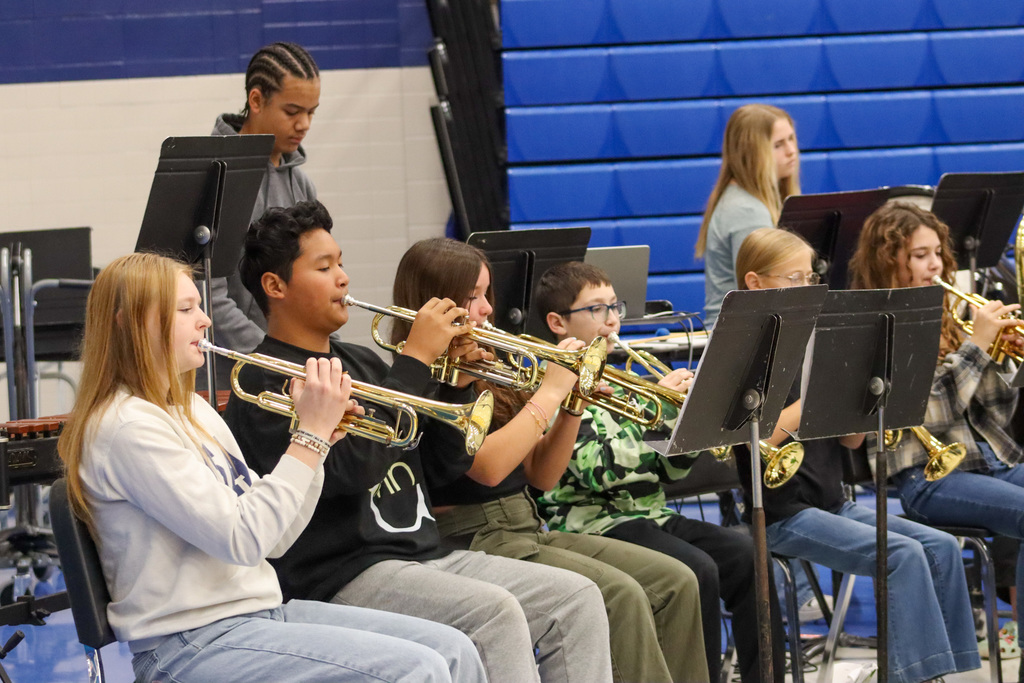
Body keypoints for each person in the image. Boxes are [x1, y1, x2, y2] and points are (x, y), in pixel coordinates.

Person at [223, 201, 613, 683]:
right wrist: (414, 362)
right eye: (324, 268)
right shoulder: (264, 378)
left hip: (423, 553)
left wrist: (458, 383)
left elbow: (439, 466)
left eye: (341, 262)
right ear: (275, 286)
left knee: (576, 599)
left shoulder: (363, 361)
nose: (343, 278)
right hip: (341, 573)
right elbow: (353, 471)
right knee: (493, 614)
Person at [56, 252, 486, 683]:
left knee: (454, 650)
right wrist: (309, 437)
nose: (205, 320)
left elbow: (274, 540)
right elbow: (243, 539)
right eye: (185, 310)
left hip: (257, 614)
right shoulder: (127, 427)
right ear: (129, 323)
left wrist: (320, 443)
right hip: (189, 642)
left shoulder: (193, 410)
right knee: (418, 669)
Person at [392, 237, 710, 683]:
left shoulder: (486, 363)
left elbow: (541, 476)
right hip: (471, 536)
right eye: (472, 296)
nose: (487, 308)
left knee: (677, 581)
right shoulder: (417, 380)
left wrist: (574, 405)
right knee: (620, 595)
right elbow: (488, 469)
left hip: (525, 524)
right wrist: (553, 391)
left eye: (487, 293)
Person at [732, 226, 980, 683]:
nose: (807, 288)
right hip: (781, 514)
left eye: (810, 278)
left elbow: (849, 444)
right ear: (755, 283)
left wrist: (858, 398)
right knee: (903, 554)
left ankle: (950, 674)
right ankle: (913, 677)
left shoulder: (811, 342)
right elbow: (753, 444)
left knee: (941, 547)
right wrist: (813, 401)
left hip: (832, 501)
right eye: (794, 278)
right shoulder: (743, 352)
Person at [532, 258, 785, 683]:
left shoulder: (623, 375)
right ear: (558, 322)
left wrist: (683, 426)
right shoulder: (554, 386)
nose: (612, 320)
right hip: (593, 524)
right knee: (697, 570)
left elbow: (669, 474)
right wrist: (656, 412)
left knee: (748, 556)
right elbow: (600, 472)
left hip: (649, 513)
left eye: (615, 306)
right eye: (596, 309)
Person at [850, 201, 1024, 681]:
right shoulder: (876, 327)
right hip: (928, 476)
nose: (936, 265)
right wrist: (976, 348)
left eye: (937, 254)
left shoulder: (945, 312)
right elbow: (926, 412)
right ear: (889, 259)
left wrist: (1003, 357)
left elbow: (994, 414)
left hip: (990, 461)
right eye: (920, 255)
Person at [210, 41, 322, 366]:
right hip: (229, 373)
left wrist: (329, 354)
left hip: (288, 366)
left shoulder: (302, 185)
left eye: (311, 112)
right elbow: (208, 298)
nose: (304, 124)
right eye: (292, 112)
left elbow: (315, 282)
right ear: (256, 100)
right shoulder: (216, 175)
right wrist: (274, 359)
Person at [695, 103, 800, 328]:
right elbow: (763, 292)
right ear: (752, 154)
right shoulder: (747, 211)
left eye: (791, 139)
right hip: (737, 335)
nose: (791, 150)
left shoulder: (744, 200)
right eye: (778, 145)